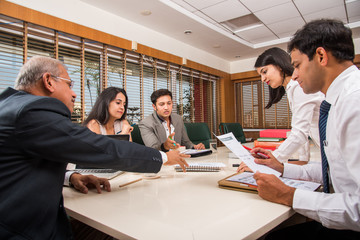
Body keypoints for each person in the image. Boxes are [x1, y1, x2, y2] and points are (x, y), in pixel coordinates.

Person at [0, 56, 189, 239]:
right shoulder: (31, 112)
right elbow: (100, 148)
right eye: (69, 84)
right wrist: (163, 157)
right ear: (48, 81)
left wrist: (71, 176)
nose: (74, 93)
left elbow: (24, 165)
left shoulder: (11, 108)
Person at [248, 19, 360, 239]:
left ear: (321, 56)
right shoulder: (338, 100)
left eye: (297, 65)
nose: (295, 75)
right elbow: (335, 171)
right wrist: (282, 168)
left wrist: (289, 195)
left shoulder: (353, 103)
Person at [254, 47, 324, 163]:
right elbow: (303, 131)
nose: (262, 79)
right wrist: (303, 161)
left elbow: (299, 133)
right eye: (260, 75)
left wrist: (272, 160)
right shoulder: (292, 88)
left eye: (264, 72)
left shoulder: (299, 87)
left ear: (279, 66)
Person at [139, 89, 205, 151]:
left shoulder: (178, 119)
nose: (166, 107)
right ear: (154, 107)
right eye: (162, 104)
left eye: (169, 103)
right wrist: (165, 146)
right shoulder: (146, 124)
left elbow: (186, 142)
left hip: (179, 158)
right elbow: (153, 148)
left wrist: (195, 147)